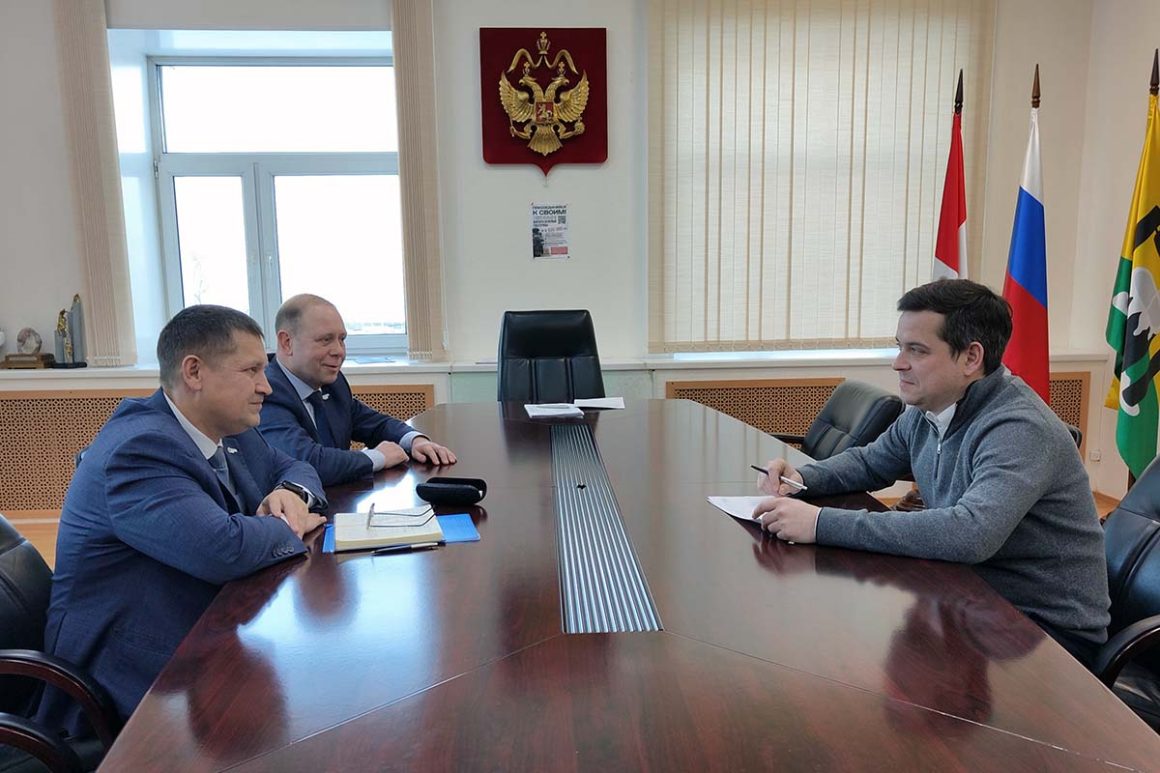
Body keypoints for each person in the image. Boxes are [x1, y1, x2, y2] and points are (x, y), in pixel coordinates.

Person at [753, 279, 1110, 664]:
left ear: (971, 358)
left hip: (1043, 632)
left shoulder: (1019, 428)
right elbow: (871, 462)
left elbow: (970, 534)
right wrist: (802, 479)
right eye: (900, 346)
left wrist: (820, 524)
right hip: (972, 594)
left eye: (917, 350)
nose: (898, 363)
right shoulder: (930, 407)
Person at [37, 305, 327, 734]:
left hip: (204, 632)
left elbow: (297, 467)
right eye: (251, 370)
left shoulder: (232, 430)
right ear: (194, 372)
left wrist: (292, 495)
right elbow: (223, 549)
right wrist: (291, 524)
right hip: (133, 676)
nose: (266, 386)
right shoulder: (139, 449)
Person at [260, 294, 456, 486]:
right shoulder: (266, 392)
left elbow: (375, 423)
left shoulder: (332, 383)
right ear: (287, 342)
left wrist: (415, 441)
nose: (339, 351)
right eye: (325, 340)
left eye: (342, 339)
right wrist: (377, 457)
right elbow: (306, 462)